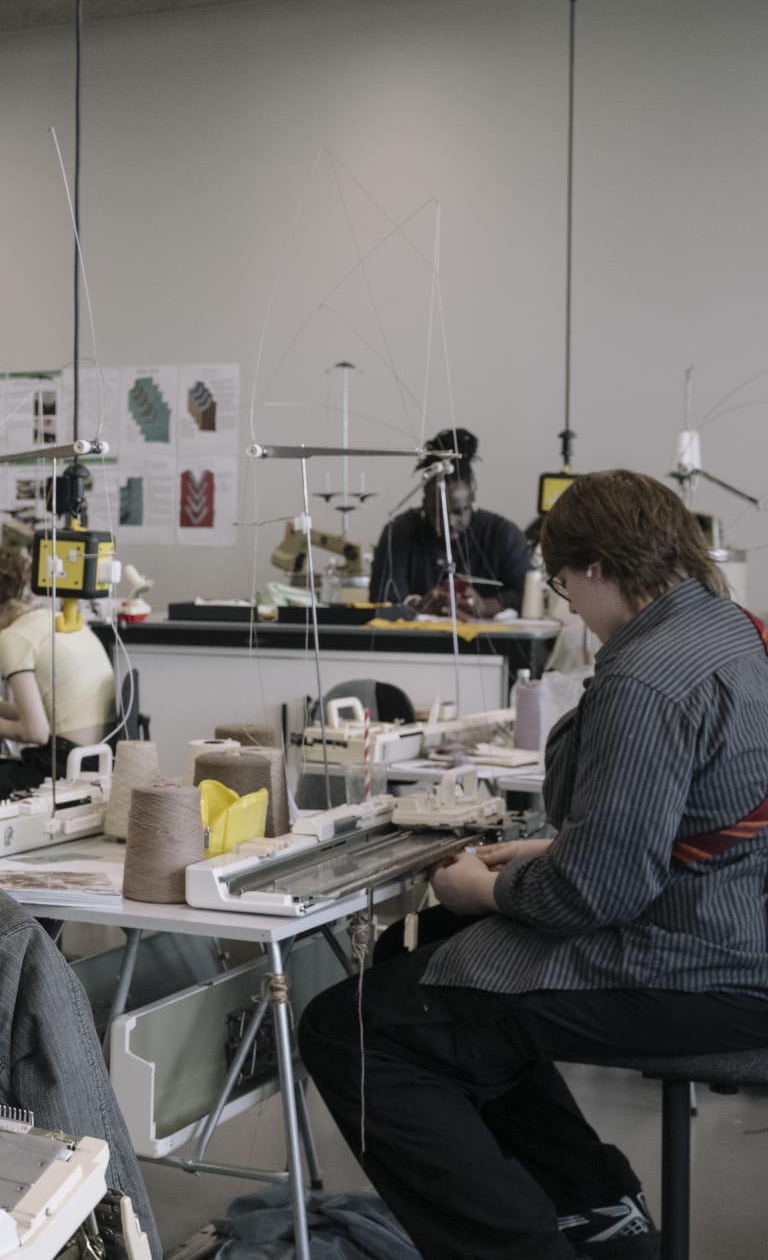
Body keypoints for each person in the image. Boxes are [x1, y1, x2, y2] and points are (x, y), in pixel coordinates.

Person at [299, 470, 768, 1260]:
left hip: (698, 961)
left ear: (594, 567)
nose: (567, 604)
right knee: (419, 957)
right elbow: (704, 811)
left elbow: (599, 890)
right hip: (731, 914)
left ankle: (522, 1245)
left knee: (349, 1027)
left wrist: (486, 887)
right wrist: (555, 848)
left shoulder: (644, 673)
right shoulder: (735, 629)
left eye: (561, 583)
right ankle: (594, 1207)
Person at [0, 542, 117, 801]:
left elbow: (36, 732)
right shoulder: (50, 620)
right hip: (96, 759)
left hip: (62, 766)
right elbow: (44, 715)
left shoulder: (12, 638)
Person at [368, 428, 530, 617]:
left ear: (472, 496)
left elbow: (527, 595)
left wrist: (486, 606)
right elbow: (382, 602)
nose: (449, 523)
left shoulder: (503, 534)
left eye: (459, 512)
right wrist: (419, 606)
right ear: (424, 502)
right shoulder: (398, 533)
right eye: (437, 512)